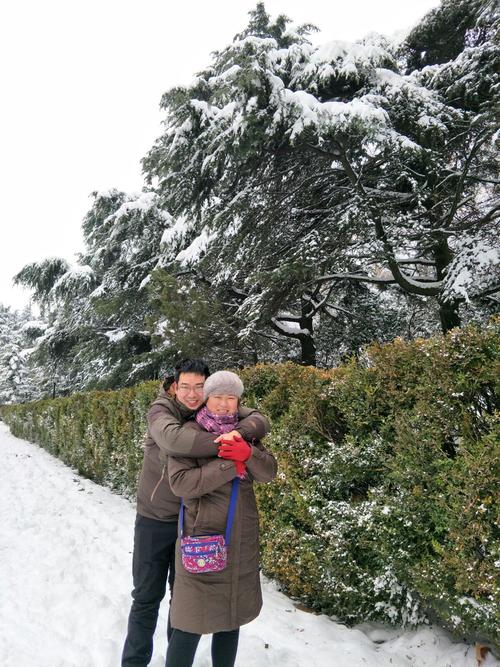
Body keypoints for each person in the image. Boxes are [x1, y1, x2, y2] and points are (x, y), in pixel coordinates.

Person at [122, 360, 271, 667]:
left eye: (199, 387)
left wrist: (241, 436)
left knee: (184, 604)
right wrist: (231, 447)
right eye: (185, 386)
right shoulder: (162, 412)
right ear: (174, 387)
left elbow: (258, 419)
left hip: (194, 523)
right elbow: (176, 442)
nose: (192, 394)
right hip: (157, 518)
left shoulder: (219, 409)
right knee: (147, 597)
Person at [165, 371, 277, 667]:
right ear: (206, 398)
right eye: (218, 397)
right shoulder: (189, 434)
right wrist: (230, 463)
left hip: (240, 540)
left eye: (231, 398)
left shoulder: (246, 433)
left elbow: (269, 473)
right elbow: (181, 483)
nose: (224, 404)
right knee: (190, 622)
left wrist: (249, 453)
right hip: (202, 540)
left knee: (230, 618)